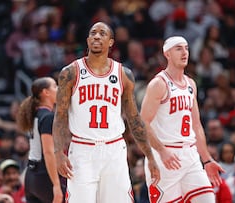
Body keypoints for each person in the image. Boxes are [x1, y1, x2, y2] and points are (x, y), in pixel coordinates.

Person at [52, 21, 160, 203]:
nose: (96, 36)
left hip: (114, 149)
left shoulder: (123, 74)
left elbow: (134, 119)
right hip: (82, 150)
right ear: (87, 40)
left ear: (111, 42)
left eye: (102, 33)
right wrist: (58, 152)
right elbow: (60, 115)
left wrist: (149, 155)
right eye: (93, 33)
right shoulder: (70, 72)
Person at [140, 36, 224, 202]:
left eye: (186, 48)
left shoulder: (190, 84)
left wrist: (206, 160)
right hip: (164, 158)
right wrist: (162, 151)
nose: (184, 52)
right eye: (178, 48)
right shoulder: (159, 84)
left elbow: (197, 125)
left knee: (207, 199)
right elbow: (142, 123)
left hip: (190, 155)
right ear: (167, 54)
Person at [16, 77, 64, 203]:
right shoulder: (48, 116)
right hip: (45, 176)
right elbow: (48, 152)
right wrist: (56, 185)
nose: (58, 89)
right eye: (54, 86)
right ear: (45, 92)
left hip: (31, 176)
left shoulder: (34, 114)